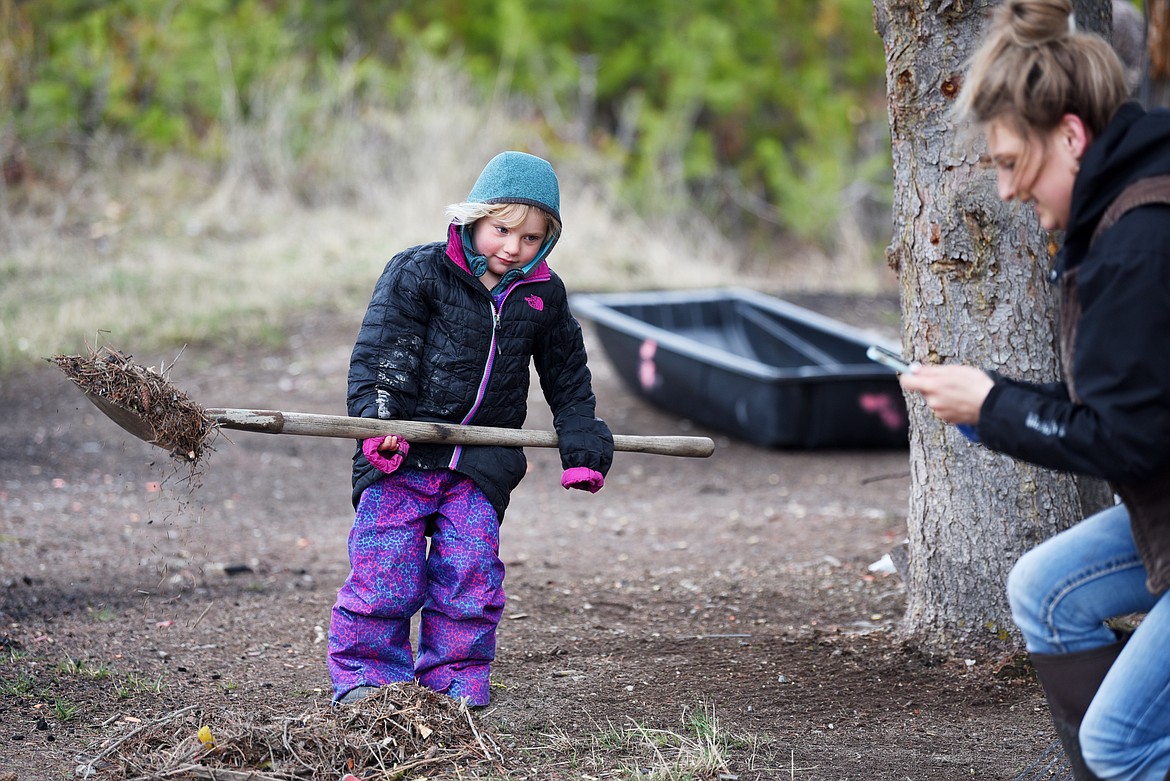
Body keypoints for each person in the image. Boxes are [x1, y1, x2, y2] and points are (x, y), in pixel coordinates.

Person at [898, 1, 1170, 779]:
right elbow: (1134, 394)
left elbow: (1129, 439)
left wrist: (993, 406)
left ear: (1072, 136)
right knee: (1047, 590)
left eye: (1014, 163)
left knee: (1119, 740)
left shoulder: (1140, 241)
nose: (1010, 191)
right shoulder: (1126, 211)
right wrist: (992, 406)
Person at [328, 150, 614, 708]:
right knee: (384, 571)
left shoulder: (542, 296)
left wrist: (583, 440)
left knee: (470, 578)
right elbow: (385, 354)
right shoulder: (419, 271)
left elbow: (567, 374)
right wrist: (382, 425)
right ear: (474, 217)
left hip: (480, 462)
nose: (513, 247)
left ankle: (454, 689)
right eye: (502, 229)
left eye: (532, 238)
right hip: (403, 455)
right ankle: (368, 684)